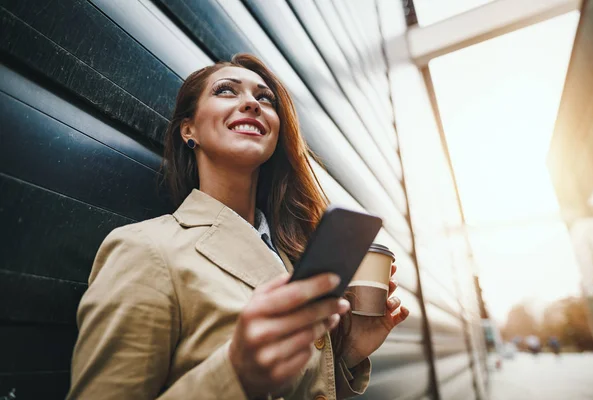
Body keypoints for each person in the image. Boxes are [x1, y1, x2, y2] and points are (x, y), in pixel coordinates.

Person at [68, 53, 410, 400]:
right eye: (226, 91)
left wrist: (347, 351)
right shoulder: (144, 249)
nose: (251, 102)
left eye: (265, 98)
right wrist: (234, 373)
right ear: (189, 129)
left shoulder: (292, 257)